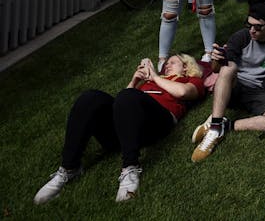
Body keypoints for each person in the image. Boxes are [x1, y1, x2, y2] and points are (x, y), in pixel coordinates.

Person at [33, 54, 204, 204]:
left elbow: (182, 93)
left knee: (130, 96)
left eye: (172, 62)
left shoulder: (191, 80)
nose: (167, 65)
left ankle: (130, 167)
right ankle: (69, 168)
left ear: (186, 67)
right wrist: (135, 81)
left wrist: (155, 77)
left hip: (156, 124)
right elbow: (120, 104)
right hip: (125, 130)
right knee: (90, 98)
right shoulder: (145, 85)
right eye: (166, 63)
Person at [190, 4, 265, 162]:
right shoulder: (241, 37)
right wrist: (217, 60)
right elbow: (218, 70)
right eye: (249, 25)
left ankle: (224, 126)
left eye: (258, 27)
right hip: (235, 85)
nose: (252, 30)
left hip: (260, 90)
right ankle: (215, 127)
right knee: (227, 69)